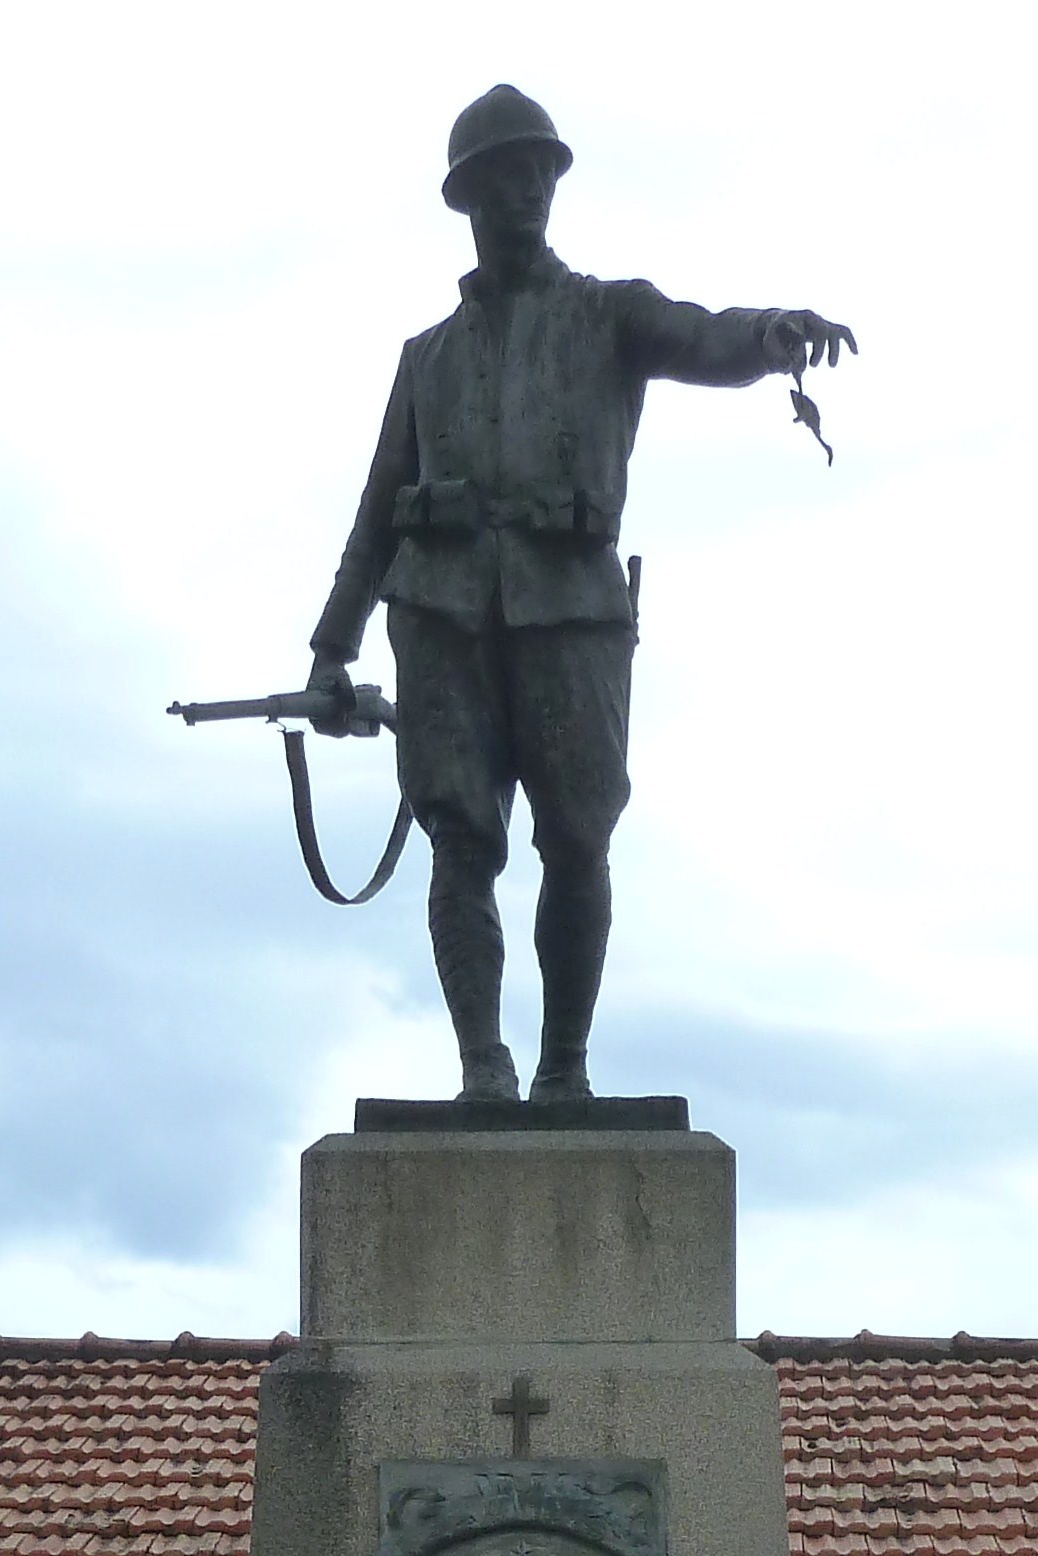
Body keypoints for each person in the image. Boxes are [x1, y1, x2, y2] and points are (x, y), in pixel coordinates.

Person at [308, 85, 853, 1106]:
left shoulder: (610, 314)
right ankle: (484, 1067)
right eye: (502, 175)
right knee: (461, 838)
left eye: (537, 172)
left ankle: (565, 1068)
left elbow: (705, 335)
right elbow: (381, 506)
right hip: (444, 623)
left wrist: (775, 331)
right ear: (468, 196)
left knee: (577, 837)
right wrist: (333, 644)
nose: (523, 191)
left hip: (571, 620)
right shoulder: (425, 359)